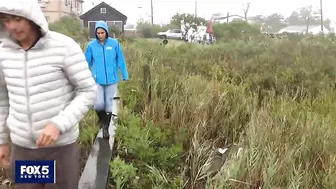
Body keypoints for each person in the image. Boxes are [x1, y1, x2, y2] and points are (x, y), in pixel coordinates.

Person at [0, 1, 96, 189]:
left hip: (59, 150)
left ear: (32, 17)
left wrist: (58, 124)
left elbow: (88, 90)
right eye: (6, 20)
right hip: (24, 150)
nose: (12, 26)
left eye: (18, 19)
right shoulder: (3, 53)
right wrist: (2, 141)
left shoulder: (63, 47)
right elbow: (2, 99)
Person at [85, 20, 129, 139]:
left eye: (102, 33)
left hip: (112, 80)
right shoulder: (91, 46)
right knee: (98, 104)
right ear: (95, 33)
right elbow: (86, 62)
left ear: (106, 32)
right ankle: (103, 121)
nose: (100, 35)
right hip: (97, 80)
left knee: (108, 105)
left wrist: (125, 75)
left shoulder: (114, 44)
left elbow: (121, 60)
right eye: (98, 33)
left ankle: (105, 128)